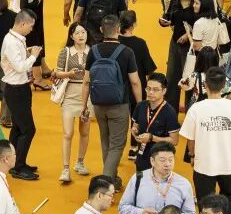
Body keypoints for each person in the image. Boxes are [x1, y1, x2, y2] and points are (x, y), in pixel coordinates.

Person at [180, 66, 231, 214]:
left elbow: (191, 138)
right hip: (228, 165)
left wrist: (192, 155)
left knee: (205, 204)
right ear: (224, 85)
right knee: (230, 199)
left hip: (203, 166)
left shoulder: (196, 108)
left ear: (205, 85)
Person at [82, 16, 142, 185]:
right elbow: (135, 82)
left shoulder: (93, 51)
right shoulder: (126, 52)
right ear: (118, 30)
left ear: (102, 30)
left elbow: (86, 81)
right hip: (119, 104)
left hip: (98, 104)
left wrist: (84, 105)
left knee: (105, 141)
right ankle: (106, 183)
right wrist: (140, 105)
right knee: (117, 145)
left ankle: (113, 179)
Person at [1, 10, 43, 179]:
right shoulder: (11, 42)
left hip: (20, 88)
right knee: (28, 130)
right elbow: (19, 67)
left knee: (18, 128)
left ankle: (15, 163)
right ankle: (18, 167)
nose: (31, 29)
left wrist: (28, 53)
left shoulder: (16, 39)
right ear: (23, 23)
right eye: (31, 26)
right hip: (16, 89)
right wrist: (33, 57)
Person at [55, 23, 93, 182]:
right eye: (77, 33)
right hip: (70, 95)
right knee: (68, 133)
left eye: (83, 32)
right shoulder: (65, 52)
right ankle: (65, 169)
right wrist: (68, 74)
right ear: (71, 36)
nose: (81, 35)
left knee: (85, 132)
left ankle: (80, 162)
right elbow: (56, 73)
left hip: (88, 96)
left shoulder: (93, 51)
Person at [129, 73, 181, 171]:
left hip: (160, 161)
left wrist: (152, 138)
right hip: (141, 157)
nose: (151, 92)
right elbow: (135, 126)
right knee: (140, 179)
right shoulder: (140, 106)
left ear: (164, 91)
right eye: (148, 89)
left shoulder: (170, 112)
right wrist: (135, 131)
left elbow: (174, 141)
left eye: (155, 90)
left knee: (156, 181)